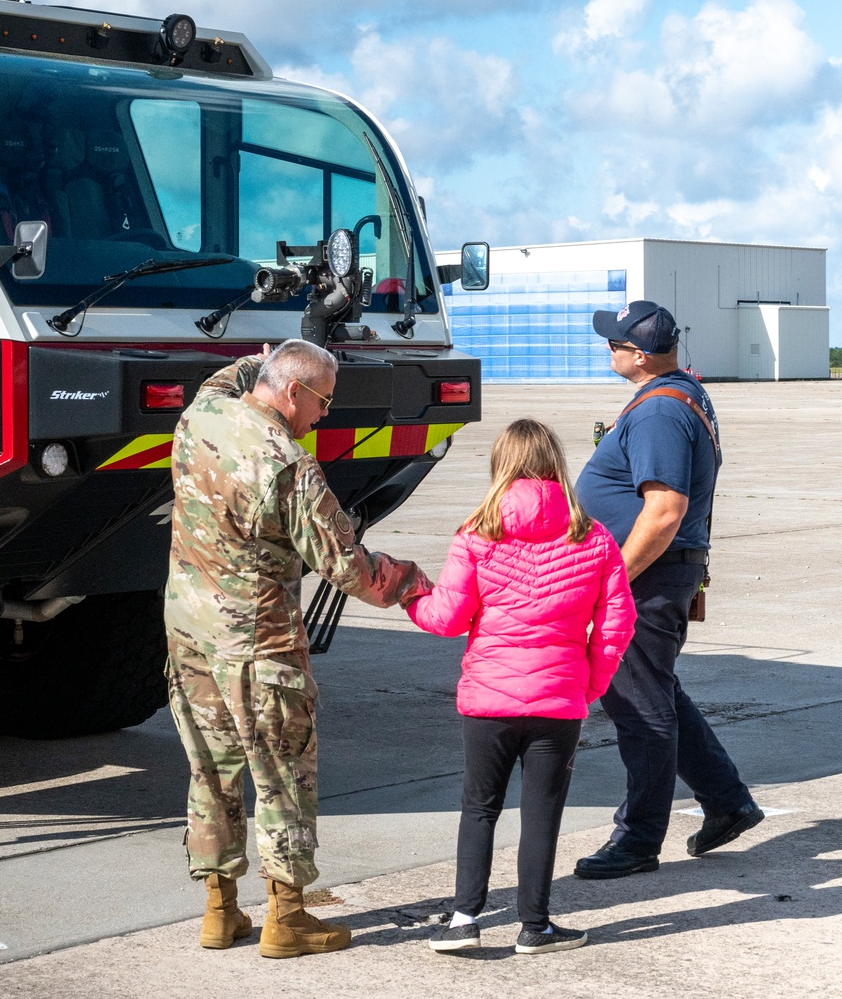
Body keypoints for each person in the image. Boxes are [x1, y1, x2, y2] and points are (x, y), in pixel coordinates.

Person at [165, 339, 430, 959]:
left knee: (211, 768)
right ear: (292, 393)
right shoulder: (288, 465)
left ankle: (219, 911)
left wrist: (260, 360)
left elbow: (223, 379)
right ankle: (287, 919)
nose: (324, 416)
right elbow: (350, 570)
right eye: (322, 402)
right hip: (258, 646)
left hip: (190, 633)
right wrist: (412, 582)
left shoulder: (202, 414)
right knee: (281, 776)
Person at [405, 418, 635, 955]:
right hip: (559, 702)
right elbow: (617, 624)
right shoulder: (592, 536)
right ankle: (536, 926)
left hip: (489, 700)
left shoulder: (477, 532)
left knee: (479, 807)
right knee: (543, 813)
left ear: (501, 465)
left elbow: (447, 617)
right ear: (556, 463)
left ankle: (464, 919)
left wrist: (410, 596)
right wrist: (586, 687)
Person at [572, 300, 763, 880]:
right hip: (661, 571)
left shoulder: (659, 412)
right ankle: (728, 801)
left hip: (647, 575)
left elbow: (663, 512)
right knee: (658, 694)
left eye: (614, 343)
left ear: (637, 354)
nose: (607, 349)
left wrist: (612, 580)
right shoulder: (683, 391)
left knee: (638, 706)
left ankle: (638, 839)